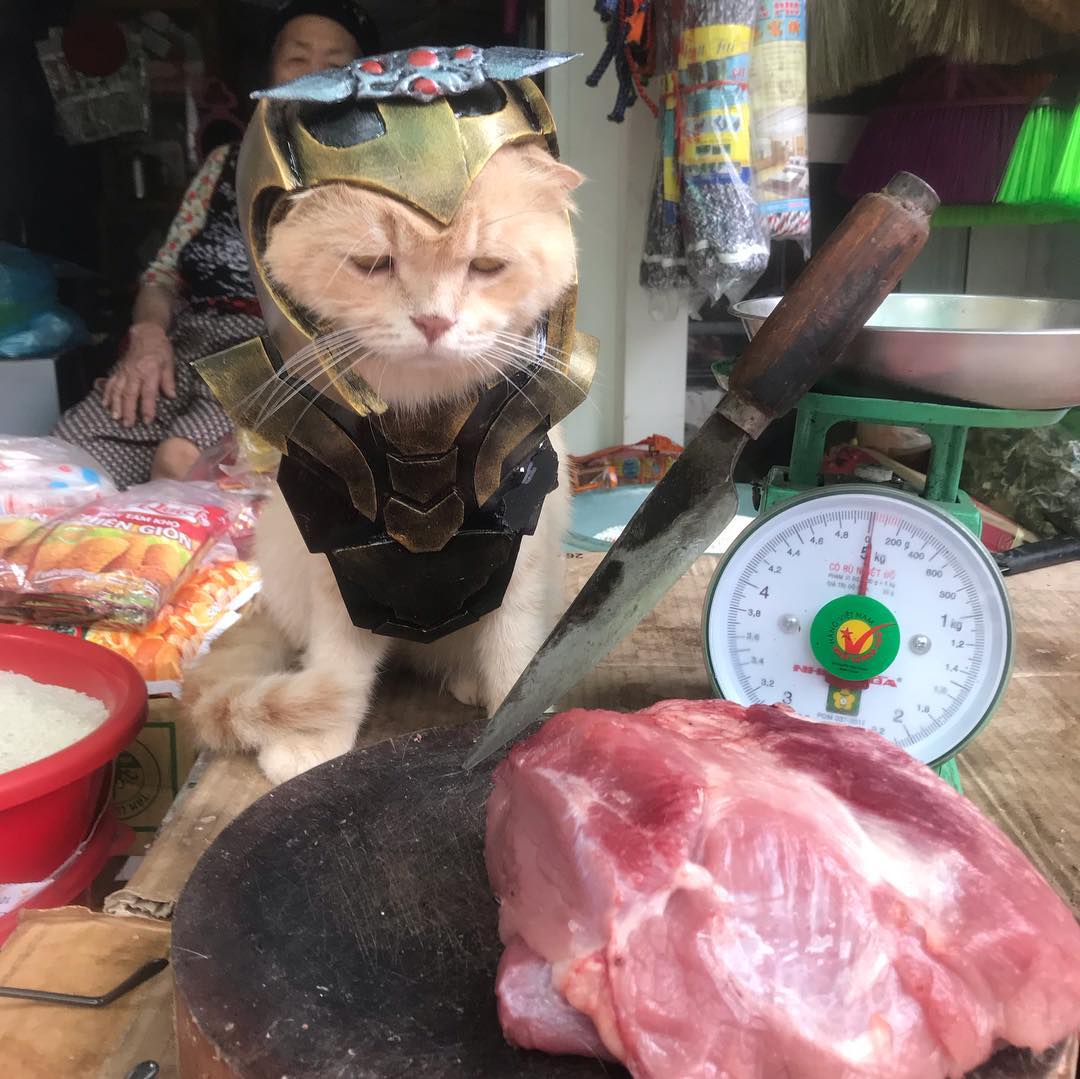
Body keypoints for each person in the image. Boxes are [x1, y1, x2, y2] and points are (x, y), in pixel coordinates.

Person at [54, 1, 378, 488]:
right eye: (296, 58)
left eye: (334, 64)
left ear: (359, 82)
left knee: (181, 464)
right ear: (271, 72)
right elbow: (163, 275)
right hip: (183, 349)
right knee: (67, 461)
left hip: (279, 361)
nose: (312, 75)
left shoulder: (371, 175)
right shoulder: (227, 163)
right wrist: (148, 337)